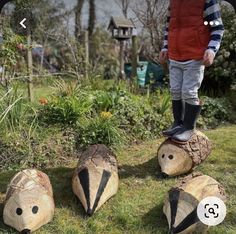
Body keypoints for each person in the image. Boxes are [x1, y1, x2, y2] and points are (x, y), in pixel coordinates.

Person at [160, 0, 224, 143]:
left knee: (189, 92)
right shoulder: (173, 3)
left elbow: (217, 27)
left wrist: (211, 49)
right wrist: (165, 47)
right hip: (175, 56)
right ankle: (178, 124)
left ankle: (188, 127)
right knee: (175, 90)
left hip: (195, 56)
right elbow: (168, 27)